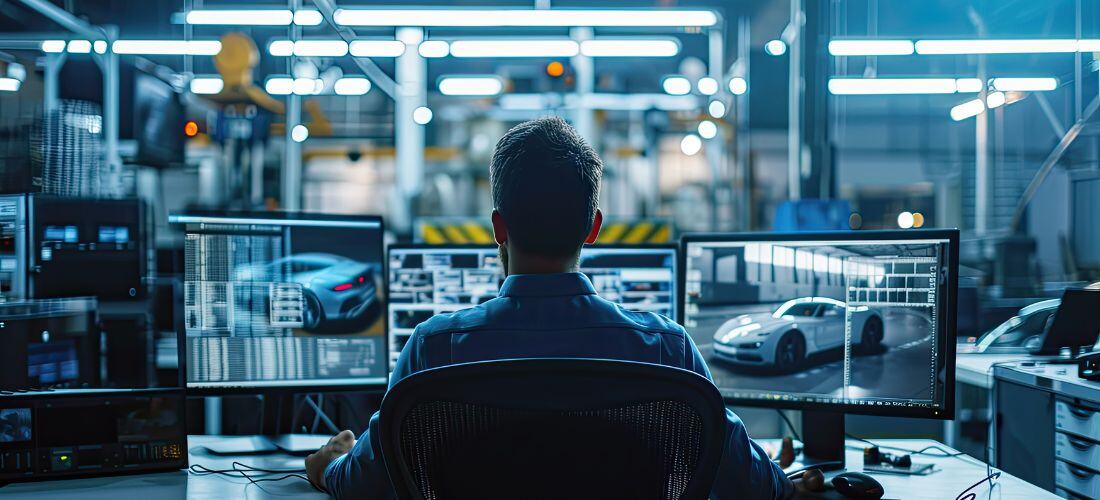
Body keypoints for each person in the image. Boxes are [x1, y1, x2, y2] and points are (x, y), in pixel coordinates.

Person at [307, 116, 794, 499]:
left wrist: (328, 464)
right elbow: (752, 487)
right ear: (593, 227)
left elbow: (363, 486)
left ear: (499, 226)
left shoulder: (435, 349)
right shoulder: (666, 349)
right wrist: (779, 473)